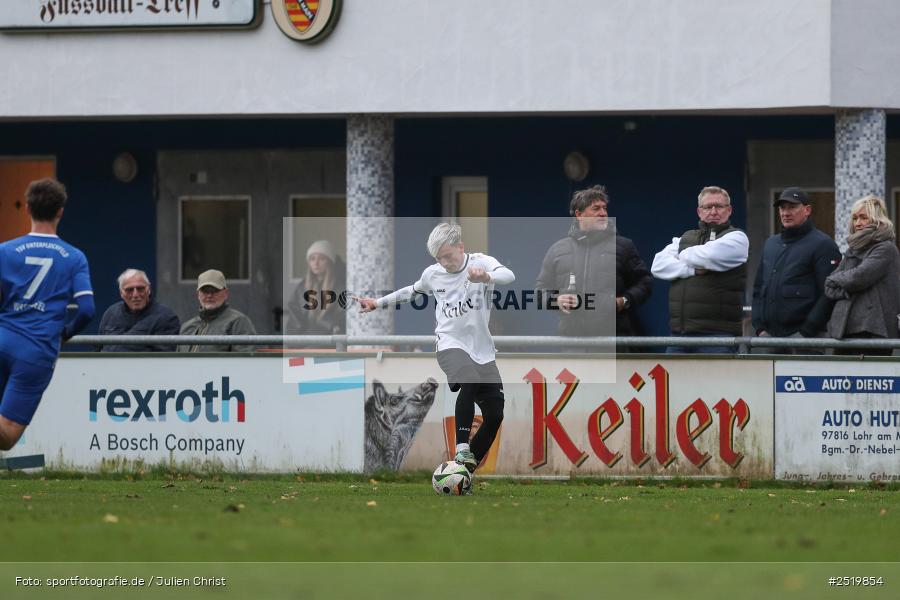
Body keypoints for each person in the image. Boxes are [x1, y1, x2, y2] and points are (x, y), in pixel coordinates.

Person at [355, 223, 515, 493]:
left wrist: (485, 276)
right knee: (469, 377)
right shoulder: (434, 274)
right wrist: (377, 303)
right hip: (448, 344)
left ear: (461, 247)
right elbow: (411, 292)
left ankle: (461, 474)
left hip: (482, 350)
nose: (444, 263)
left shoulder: (480, 262)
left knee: (495, 414)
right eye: (439, 258)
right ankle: (462, 449)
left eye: (448, 256)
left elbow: (508, 275)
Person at [0, 178, 95, 450]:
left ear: (27, 209)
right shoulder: (74, 257)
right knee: (7, 436)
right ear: (60, 212)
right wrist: (65, 333)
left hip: (3, 337)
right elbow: (87, 309)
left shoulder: (5, 251)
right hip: (36, 348)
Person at [535, 185, 652, 352]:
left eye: (604, 208)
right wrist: (556, 300)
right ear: (579, 215)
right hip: (571, 343)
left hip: (613, 342)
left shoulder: (624, 246)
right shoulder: (557, 249)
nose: (603, 213)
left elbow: (645, 282)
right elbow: (540, 291)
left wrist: (624, 301)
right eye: (596, 209)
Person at [651, 186, 749, 353]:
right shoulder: (686, 237)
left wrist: (682, 254)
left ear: (729, 210)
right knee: (672, 380)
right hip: (679, 336)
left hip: (718, 337)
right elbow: (658, 265)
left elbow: (708, 256)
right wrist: (693, 270)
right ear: (699, 211)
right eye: (707, 207)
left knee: (714, 380)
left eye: (719, 206)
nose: (713, 211)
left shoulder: (737, 238)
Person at [751, 187, 841, 354]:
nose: (786, 213)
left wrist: (806, 332)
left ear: (807, 210)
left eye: (792, 207)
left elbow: (829, 294)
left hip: (805, 342)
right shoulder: (771, 243)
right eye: (782, 208)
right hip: (768, 339)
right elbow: (758, 289)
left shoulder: (823, 245)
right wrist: (759, 328)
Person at [824, 195, 900, 356]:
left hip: (872, 330)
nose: (857, 223)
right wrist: (846, 285)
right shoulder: (854, 249)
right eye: (855, 218)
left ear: (876, 219)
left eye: (863, 218)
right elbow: (829, 286)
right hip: (844, 329)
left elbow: (858, 278)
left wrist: (843, 283)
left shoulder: (885, 249)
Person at [97, 268, 180, 352]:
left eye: (140, 289)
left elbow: (164, 359)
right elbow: (98, 349)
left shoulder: (166, 317)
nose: (135, 294)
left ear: (149, 290)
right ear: (121, 293)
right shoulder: (111, 313)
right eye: (129, 290)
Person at [178, 269, 257, 352]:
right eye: (205, 291)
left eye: (215, 291)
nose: (209, 295)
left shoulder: (238, 322)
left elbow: (245, 362)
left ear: (226, 293)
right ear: (198, 294)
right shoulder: (186, 327)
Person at [286, 240, 347, 335]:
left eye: (322, 259)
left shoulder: (341, 288)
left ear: (330, 262)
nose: (316, 263)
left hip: (330, 342)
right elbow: (294, 322)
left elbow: (339, 320)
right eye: (312, 259)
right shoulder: (301, 289)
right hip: (304, 343)